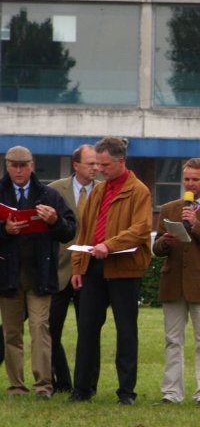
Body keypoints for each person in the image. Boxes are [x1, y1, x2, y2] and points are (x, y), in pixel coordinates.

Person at [69, 136, 153, 405]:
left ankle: (126, 392)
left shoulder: (139, 191)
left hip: (125, 270)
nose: (100, 169)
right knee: (87, 328)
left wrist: (110, 244)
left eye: (105, 165)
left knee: (126, 331)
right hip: (94, 267)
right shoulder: (98, 191)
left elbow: (140, 230)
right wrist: (78, 267)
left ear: (121, 161)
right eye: (97, 164)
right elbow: (85, 230)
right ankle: (82, 388)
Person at [0, 145, 77, 398]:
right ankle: (16, 386)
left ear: (32, 166)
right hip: (8, 276)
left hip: (40, 276)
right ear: (7, 166)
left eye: (23, 165)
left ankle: (44, 385)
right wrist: (5, 231)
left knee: (40, 328)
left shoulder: (49, 195)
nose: (19, 170)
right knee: (11, 332)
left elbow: (69, 232)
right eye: (14, 165)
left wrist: (54, 220)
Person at [153, 158, 200, 407]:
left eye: (195, 179)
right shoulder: (168, 209)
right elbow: (156, 248)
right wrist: (165, 241)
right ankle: (172, 392)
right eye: (187, 179)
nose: (190, 183)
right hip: (173, 282)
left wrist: (196, 226)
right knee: (173, 340)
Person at [46, 144, 100, 394]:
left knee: (89, 331)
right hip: (59, 270)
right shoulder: (55, 190)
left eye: (97, 164)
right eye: (90, 163)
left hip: (90, 271)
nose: (95, 168)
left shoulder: (103, 191)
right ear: (76, 165)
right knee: (51, 329)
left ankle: (88, 384)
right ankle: (61, 381)